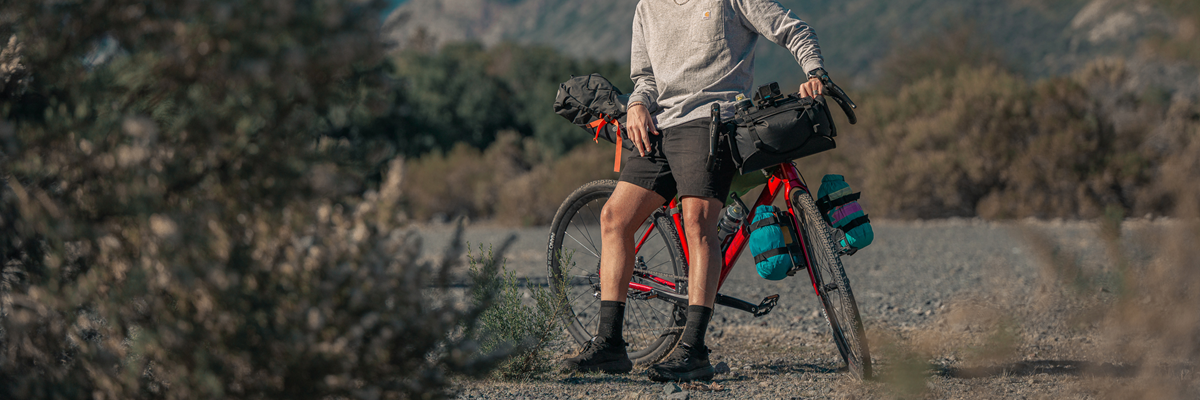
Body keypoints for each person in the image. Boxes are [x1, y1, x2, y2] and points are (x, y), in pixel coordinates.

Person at [561, 0, 828, 382]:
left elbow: (793, 29)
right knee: (614, 218)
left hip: (711, 121)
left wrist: (814, 70)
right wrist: (637, 103)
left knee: (697, 222)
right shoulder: (647, 7)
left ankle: (694, 351)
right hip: (657, 124)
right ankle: (609, 346)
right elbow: (647, 78)